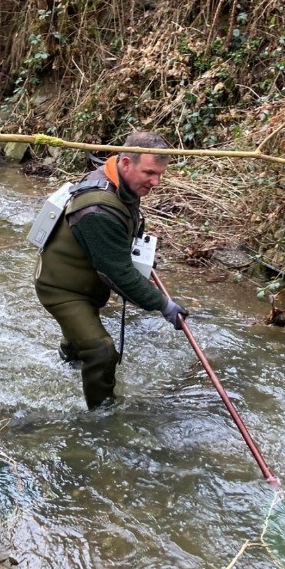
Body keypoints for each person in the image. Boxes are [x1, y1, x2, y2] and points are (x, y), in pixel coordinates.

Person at [34, 130, 189, 409]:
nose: (156, 182)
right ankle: (102, 415)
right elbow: (118, 274)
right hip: (61, 287)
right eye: (150, 173)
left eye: (160, 174)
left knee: (80, 338)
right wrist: (163, 305)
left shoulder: (120, 182)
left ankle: (68, 357)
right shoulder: (98, 210)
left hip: (84, 280)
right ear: (126, 163)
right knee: (101, 350)